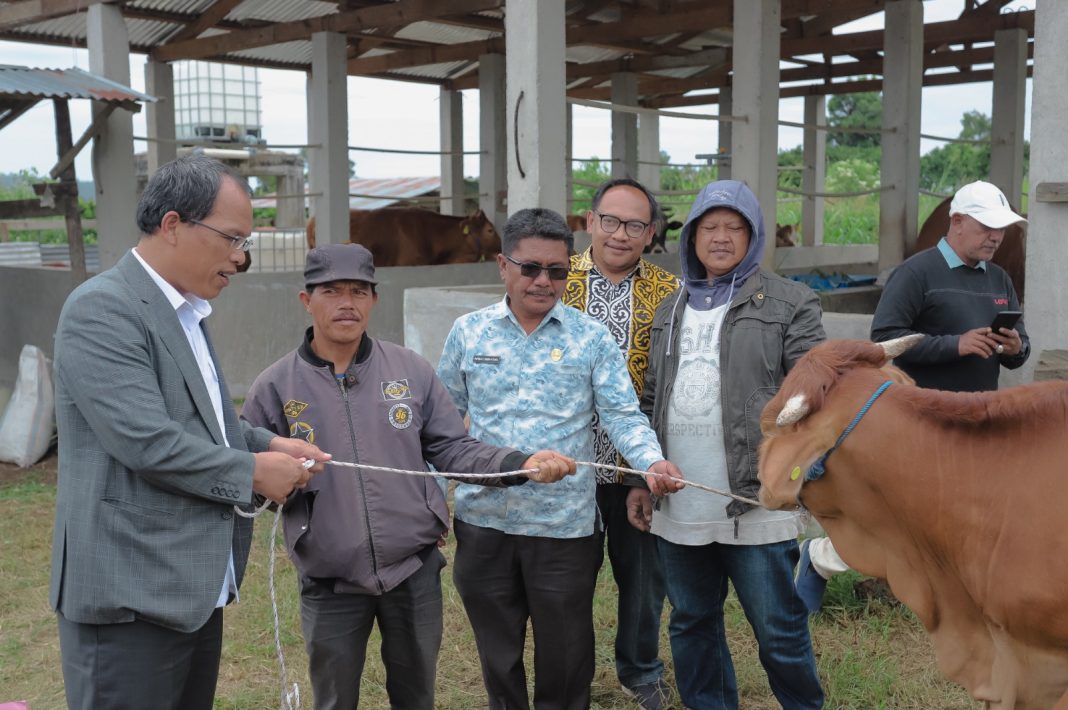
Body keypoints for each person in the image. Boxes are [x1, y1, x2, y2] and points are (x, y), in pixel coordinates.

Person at [240, 243, 575, 710]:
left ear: (374, 299)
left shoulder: (410, 371)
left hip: (412, 571)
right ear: (306, 300)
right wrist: (274, 482)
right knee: (334, 698)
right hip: (329, 579)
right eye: (331, 291)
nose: (346, 303)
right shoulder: (275, 386)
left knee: (417, 694)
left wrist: (520, 464)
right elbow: (251, 473)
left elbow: (452, 448)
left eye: (359, 291)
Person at [50, 155, 328, 709]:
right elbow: (148, 442)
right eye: (232, 239)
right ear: (174, 225)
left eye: (245, 242)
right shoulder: (104, 308)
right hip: (129, 596)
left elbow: (208, 426)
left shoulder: (185, 312)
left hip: (189, 590)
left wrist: (268, 444)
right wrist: (253, 471)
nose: (240, 257)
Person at [436, 207, 684, 710]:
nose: (543, 281)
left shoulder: (589, 337)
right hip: (485, 522)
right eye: (530, 268)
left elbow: (623, 415)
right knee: (498, 652)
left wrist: (651, 462)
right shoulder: (468, 332)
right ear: (503, 266)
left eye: (556, 270)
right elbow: (440, 427)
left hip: (564, 527)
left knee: (567, 656)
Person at [628, 179, 825, 710]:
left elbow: (818, 395)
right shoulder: (670, 310)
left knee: (778, 629)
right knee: (692, 623)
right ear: (691, 236)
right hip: (681, 496)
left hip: (755, 497)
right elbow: (649, 399)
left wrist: (803, 474)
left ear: (753, 235)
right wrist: (639, 479)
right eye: (709, 227)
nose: (720, 237)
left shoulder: (790, 303)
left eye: (733, 227)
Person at [795, 180, 1031, 613]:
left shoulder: (998, 278)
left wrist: (1018, 348)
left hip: (977, 419)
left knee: (961, 513)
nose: (996, 236)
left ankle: (945, 594)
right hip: (919, 418)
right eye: (986, 227)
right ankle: (820, 559)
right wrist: (952, 345)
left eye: (1001, 228)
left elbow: (1019, 349)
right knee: (899, 515)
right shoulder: (916, 273)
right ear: (956, 222)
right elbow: (882, 342)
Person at [562, 178, 679, 709]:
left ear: (651, 233)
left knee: (643, 581)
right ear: (590, 222)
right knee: (567, 580)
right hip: (568, 465)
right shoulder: (555, 282)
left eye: (635, 225)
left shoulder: (669, 294)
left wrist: (642, 472)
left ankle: (640, 671)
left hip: (638, 464)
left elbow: (670, 386)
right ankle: (570, 675)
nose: (620, 234)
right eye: (610, 220)